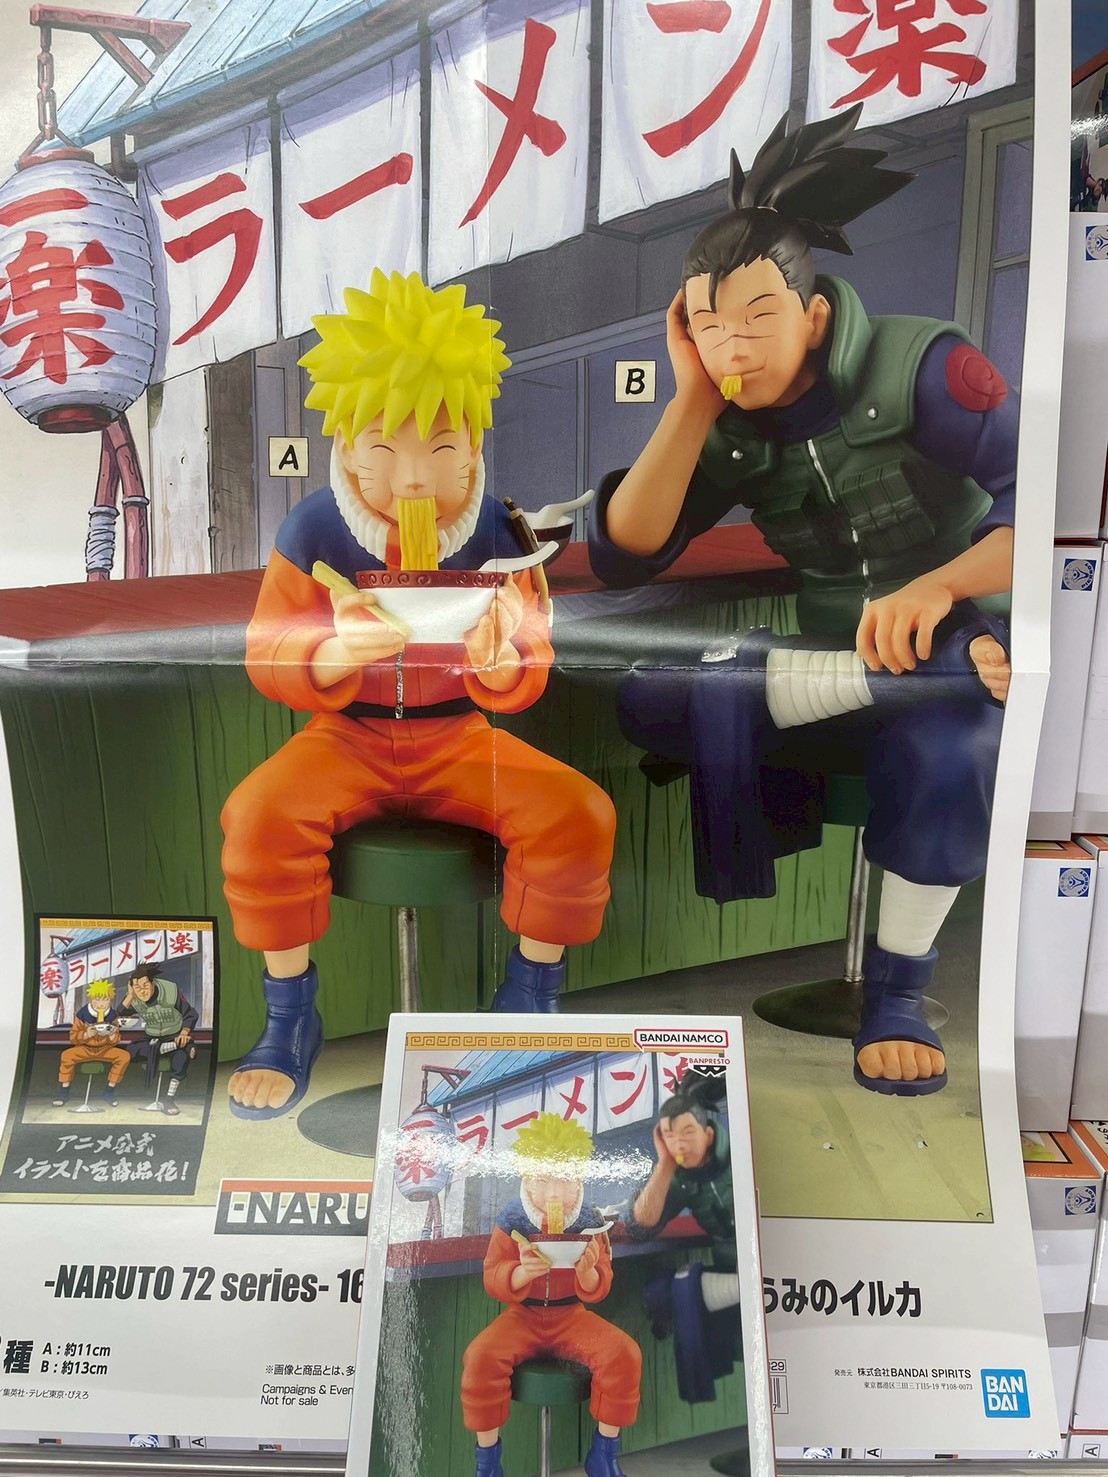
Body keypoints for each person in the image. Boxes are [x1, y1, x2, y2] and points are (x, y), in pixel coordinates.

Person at [589, 105, 1017, 1097]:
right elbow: (626, 553)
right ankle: (914, 678)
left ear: (814, 317)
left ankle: (896, 996)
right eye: (708, 326)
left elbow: (1042, 508)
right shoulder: (731, 422)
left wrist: (941, 587)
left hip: (962, 643)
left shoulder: (922, 368)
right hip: (833, 671)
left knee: (949, 744)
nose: (731, 346)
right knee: (648, 694)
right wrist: (691, 399)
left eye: (755, 320)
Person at [221, 270, 616, 1120]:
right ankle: (290, 1018)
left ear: (473, 446)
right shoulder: (312, 529)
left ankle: (530, 999)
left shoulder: (503, 533)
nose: (412, 481)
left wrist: (498, 658)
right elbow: (266, 655)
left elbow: (529, 669)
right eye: (383, 449)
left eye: (439, 451)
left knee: (578, 813)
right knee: (257, 817)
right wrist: (335, 652)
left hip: (459, 738)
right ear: (344, 444)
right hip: (345, 737)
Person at [460, 1113, 641, 1477]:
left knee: (624, 1354)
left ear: (580, 1178)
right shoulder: (512, 1219)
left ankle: (604, 1455)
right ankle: (488, 1463)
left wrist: (588, 1274)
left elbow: (602, 1282)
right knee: (479, 1357)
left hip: (571, 1315)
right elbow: (492, 1275)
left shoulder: (591, 1221)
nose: (555, 1193)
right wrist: (521, 1273)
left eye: (565, 1179)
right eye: (543, 1181)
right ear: (527, 1178)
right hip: (521, 1316)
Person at [625, 1073, 739, 1403]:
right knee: (662, 1291)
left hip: (772, 1269)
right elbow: (639, 1227)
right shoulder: (682, 1176)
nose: (680, 1144)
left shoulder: (740, 1151)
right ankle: (699, 1386)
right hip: (731, 1275)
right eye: (670, 1135)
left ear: (708, 1133)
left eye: (688, 1132)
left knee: (683, 1288)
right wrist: (664, 1165)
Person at [121, 964, 198, 1115]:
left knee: (181, 1056)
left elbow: (191, 1014)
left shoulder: (170, 991)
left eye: (145, 986)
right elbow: (120, 1013)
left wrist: (184, 1033)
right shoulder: (134, 998)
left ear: (153, 983)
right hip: (152, 1036)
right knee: (131, 1050)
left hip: (174, 1033)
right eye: (137, 988)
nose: (142, 991)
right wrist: (130, 995)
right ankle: (179, 1046)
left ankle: (168, 1099)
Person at [53, 979, 131, 1108]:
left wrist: (112, 1036)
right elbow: (73, 1037)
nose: (101, 1004)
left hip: (105, 1049)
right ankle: (64, 1093)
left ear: (110, 1000)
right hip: (85, 1048)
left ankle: (109, 1092)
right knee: (67, 1056)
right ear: (91, 999)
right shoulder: (82, 1014)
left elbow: (117, 1039)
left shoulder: (113, 1015)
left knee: (124, 1056)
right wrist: (86, 1035)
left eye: (105, 999)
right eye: (97, 999)